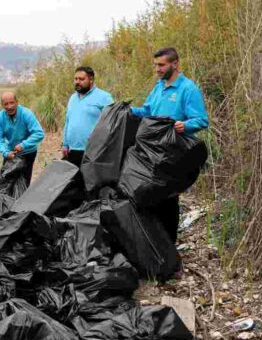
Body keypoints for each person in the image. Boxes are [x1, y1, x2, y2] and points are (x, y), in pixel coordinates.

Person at [131, 47, 209, 245]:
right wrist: (127, 110)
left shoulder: (187, 89)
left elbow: (201, 120)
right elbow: (147, 111)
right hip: (152, 152)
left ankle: (169, 250)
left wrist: (186, 125)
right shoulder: (159, 87)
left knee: (168, 199)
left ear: (174, 64)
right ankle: (154, 246)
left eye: (161, 65)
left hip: (173, 155)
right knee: (150, 196)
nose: (157, 69)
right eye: (155, 65)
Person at [61, 66, 114, 167]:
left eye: (81, 79)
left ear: (91, 80)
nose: (77, 82)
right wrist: (65, 144)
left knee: (90, 181)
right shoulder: (72, 98)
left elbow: (112, 123)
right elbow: (68, 121)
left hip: (93, 151)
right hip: (72, 150)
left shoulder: (104, 97)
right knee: (74, 181)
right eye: (75, 79)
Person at [0, 92, 45, 186]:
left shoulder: (26, 114)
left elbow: (39, 133)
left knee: (24, 182)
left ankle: (22, 199)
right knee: (6, 179)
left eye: (12, 102)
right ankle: (7, 200)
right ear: (2, 105)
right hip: (10, 152)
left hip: (28, 151)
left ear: (17, 102)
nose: (9, 107)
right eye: (6, 104)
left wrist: (23, 145)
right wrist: (5, 152)